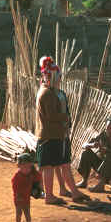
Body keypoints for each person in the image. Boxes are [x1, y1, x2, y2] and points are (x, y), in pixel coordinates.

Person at [35, 56, 89, 205]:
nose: (60, 80)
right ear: (51, 77)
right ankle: (49, 195)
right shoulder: (47, 94)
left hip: (56, 134)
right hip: (50, 135)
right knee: (48, 166)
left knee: (63, 163)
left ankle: (74, 193)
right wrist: (65, 117)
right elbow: (51, 116)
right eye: (58, 77)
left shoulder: (51, 92)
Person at [76, 117, 111, 193]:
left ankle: (101, 184)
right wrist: (92, 145)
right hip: (102, 167)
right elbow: (84, 145)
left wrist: (108, 151)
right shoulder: (103, 135)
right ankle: (84, 181)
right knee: (86, 153)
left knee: (110, 157)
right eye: (108, 128)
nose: (109, 130)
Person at [12, 153, 41, 222]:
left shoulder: (31, 173)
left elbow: (38, 177)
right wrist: (18, 196)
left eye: (28, 167)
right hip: (18, 197)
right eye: (24, 166)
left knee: (27, 212)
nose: (26, 169)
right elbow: (15, 188)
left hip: (26, 197)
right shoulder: (17, 176)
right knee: (19, 212)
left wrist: (37, 188)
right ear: (19, 166)